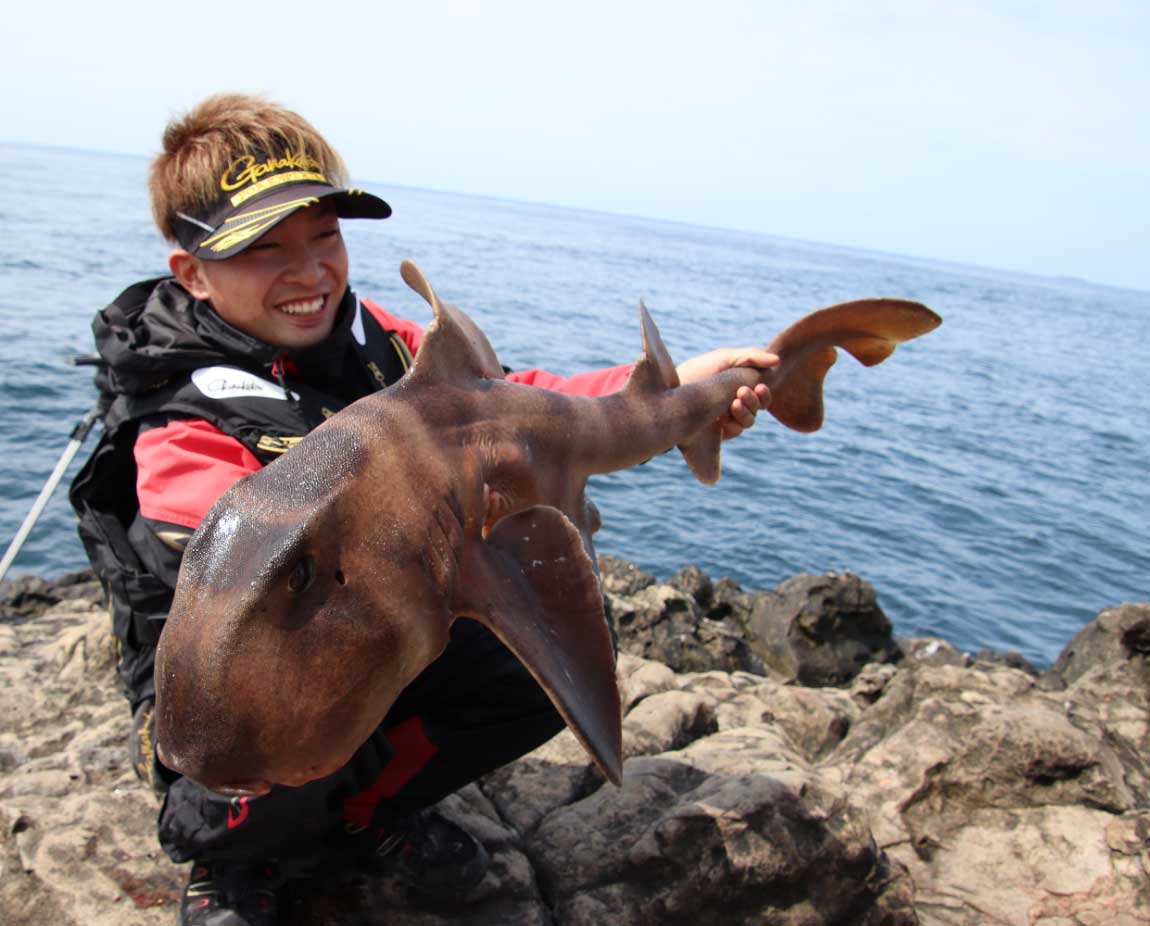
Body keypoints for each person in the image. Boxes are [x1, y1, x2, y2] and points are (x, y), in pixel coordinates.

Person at [69, 93, 774, 926]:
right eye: (263, 248)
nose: (307, 271)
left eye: (324, 236)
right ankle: (230, 860)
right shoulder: (180, 424)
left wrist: (686, 386)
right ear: (192, 271)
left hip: (369, 621)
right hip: (230, 671)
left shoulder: (387, 342)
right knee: (257, 737)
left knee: (531, 661)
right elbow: (225, 532)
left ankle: (372, 813)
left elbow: (517, 404)